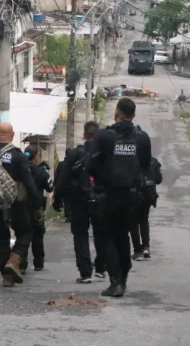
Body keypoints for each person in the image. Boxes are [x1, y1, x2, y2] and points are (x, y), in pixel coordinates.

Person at [86, 98, 152, 298]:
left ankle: (116, 281)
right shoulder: (142, 137)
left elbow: (90, 164)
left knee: (106, 237)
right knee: (123, 236)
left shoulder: (104, 136)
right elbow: (146, 165)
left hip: (108, 195)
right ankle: (123, 277)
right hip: (132, 197)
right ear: (133, 115)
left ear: (117, 112)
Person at [0, 122, 42, 287]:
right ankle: (14, 260)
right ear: (11, 135)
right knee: (25, 232)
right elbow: (29, 182)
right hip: (15, 203)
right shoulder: (17, 156)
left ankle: (7, 276)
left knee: (1, 238)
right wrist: (38, 204)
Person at [54, 121, 107, 284]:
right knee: (101, 233)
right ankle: (100, 268)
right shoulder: (104, 154)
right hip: (100, 199)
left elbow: (63, 179)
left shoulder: (75, 154)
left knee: (80, 234)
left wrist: (58, 198)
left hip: (78, 199)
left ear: (84, 135)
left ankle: (85, 272)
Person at [24, 144, 53, 272]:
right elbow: (50, 187)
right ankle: (38, 263)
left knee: (23, 235)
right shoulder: (41, 172)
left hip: (21, 207)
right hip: (36, 208)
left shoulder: (20, 170)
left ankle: (21, 264)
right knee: (37, 236)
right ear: (36, 157)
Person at [131, 154, 161, 262]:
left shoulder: (131, 160)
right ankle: (146, 247)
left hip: (134, 195)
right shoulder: (153, 161)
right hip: (149, 195)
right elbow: (158, 179)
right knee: (144, 220)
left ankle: (137, 251)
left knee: (133, 222)